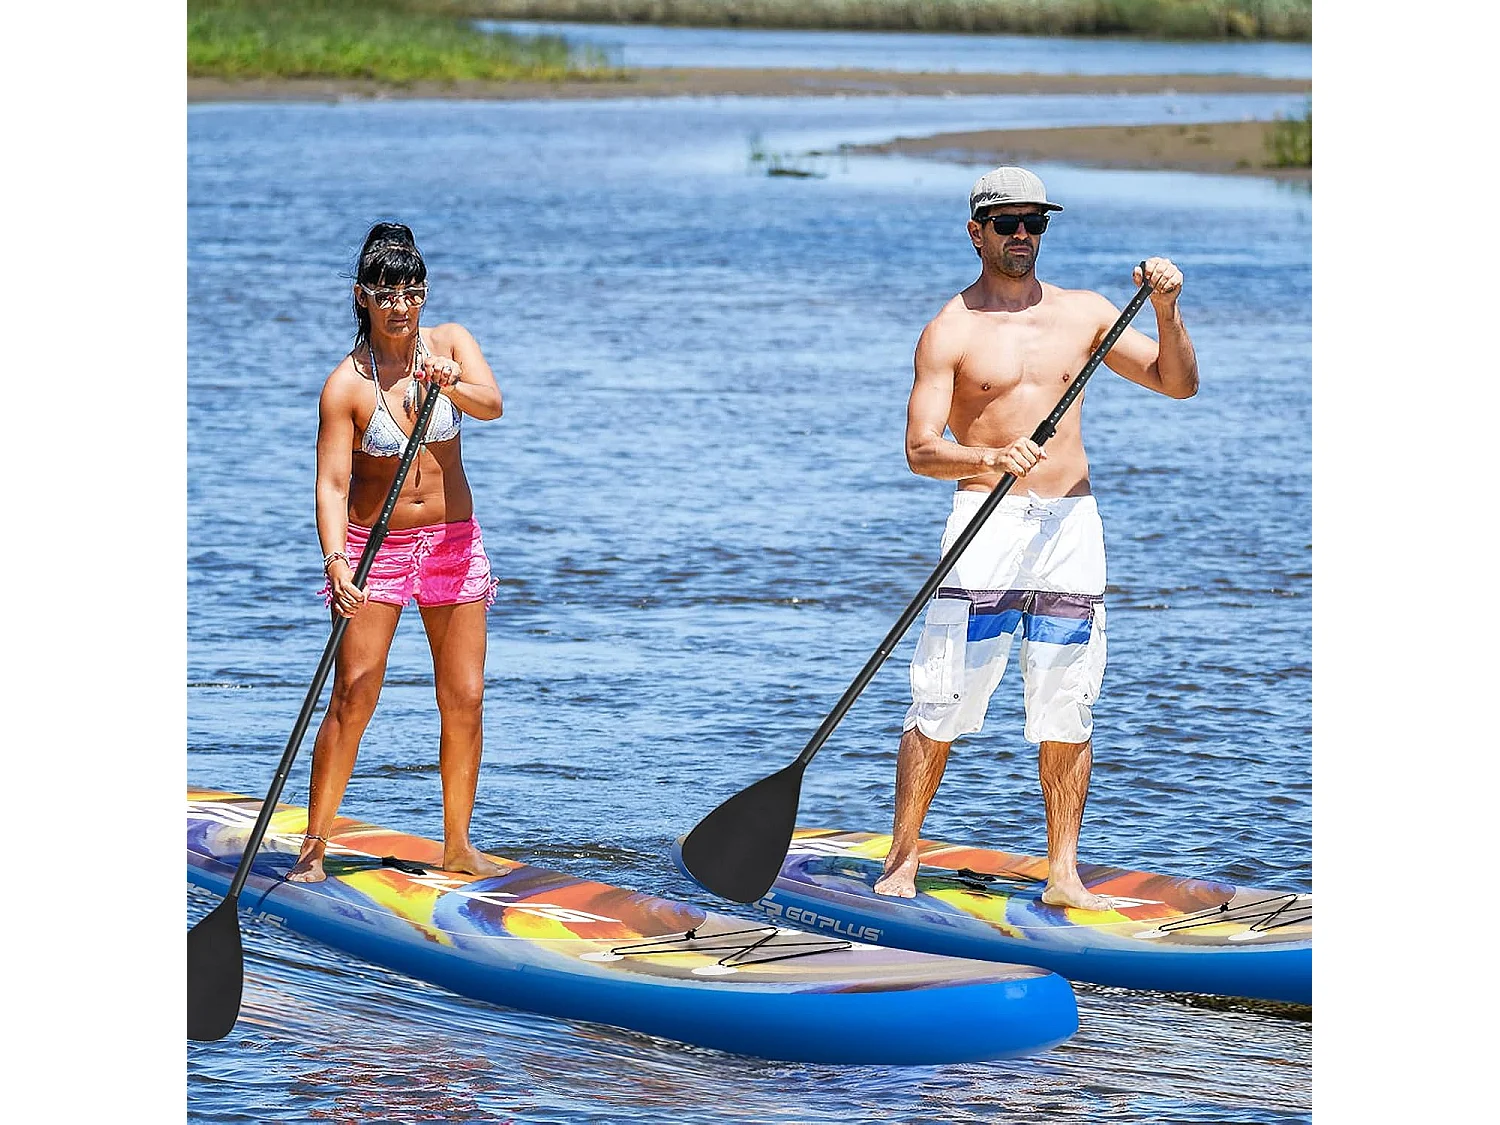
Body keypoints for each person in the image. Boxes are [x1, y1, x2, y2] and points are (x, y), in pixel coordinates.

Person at [873, 167, 1199, 909]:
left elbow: (1178, 384)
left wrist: (1170, 310)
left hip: (1071, 526)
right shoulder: (949, 330)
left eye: (1036, 222)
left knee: (1068, 701)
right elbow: (921, 449)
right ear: (977, 231)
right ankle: (900, 859)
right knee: (944, 695)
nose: (1024, 233)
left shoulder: (1085, 314)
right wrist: (986, 457)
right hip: (986, 522)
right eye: (1008, 221)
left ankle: (1063, 872)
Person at [288, 221, 507, 883]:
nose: (401, 306)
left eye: (412, 292)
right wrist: (335, 565)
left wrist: (450, 385)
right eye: (386, 294)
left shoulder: (451, 344)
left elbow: (492, 404)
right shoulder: (346, 385)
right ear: (362, 296)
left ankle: (459, 845)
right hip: (370, 551)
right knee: (353, 693)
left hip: (452, 544)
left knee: (464, 696)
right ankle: (313, 847)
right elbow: (330, 485)